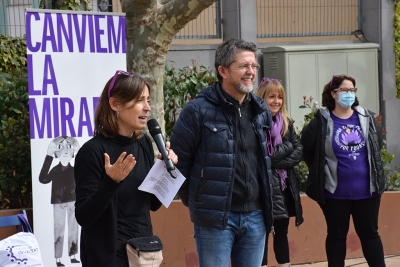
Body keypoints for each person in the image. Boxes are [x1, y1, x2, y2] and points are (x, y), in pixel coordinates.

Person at [170, 38, 273, 267]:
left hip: (256, 216)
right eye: (243, 66)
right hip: (215, 220)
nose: (250, 72)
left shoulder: (260, 109)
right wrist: (197, 201)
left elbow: (265, 159)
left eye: (253, 66)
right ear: (223, 70)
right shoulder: (197, 111)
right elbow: (179, 163)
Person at [74, 70, 178, 266]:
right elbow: (84, 217)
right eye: (140, 100)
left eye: (148, 100)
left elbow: (152, 205)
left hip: (143, 252)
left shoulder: (144, 142)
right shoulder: (92, 151)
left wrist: (164, 169)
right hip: (108, 257)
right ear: (115, 104)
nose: (147, 108)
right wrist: (111, 182)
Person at [301, 74, 386, 267]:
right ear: (333, 93)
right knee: (336, 236)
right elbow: (307, 152)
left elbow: (376, 147)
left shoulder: (367, 118)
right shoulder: (320, 123)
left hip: (368, 192)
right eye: (345, 90)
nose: (350, 94)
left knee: (370, 234)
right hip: (335, 193)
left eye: (352, 90)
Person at [256, 78, 304, 267]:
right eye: (272, 97)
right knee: (262, 235)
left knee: (281, 233)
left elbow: (299, 151)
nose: (276, 101)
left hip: (283, 188)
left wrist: (276, 159)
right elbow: (264, 154)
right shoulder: (257, 124)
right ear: (262, 98)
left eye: (280, 97)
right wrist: (288, 146)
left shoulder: (286, 122)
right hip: (264, 188)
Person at [39, 136, 81, 266]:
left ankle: (73, 255)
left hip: (73, 202)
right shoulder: (55, 169)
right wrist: (48, 155)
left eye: (69, 148)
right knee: (59, 229)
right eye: (61, 148)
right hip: (58, 203)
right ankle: (58, 259)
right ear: (56, 153)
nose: (65, 152)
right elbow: (43, 179)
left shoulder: (75, 170)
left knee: (74, 229)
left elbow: (85, 176)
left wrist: (80, 153)